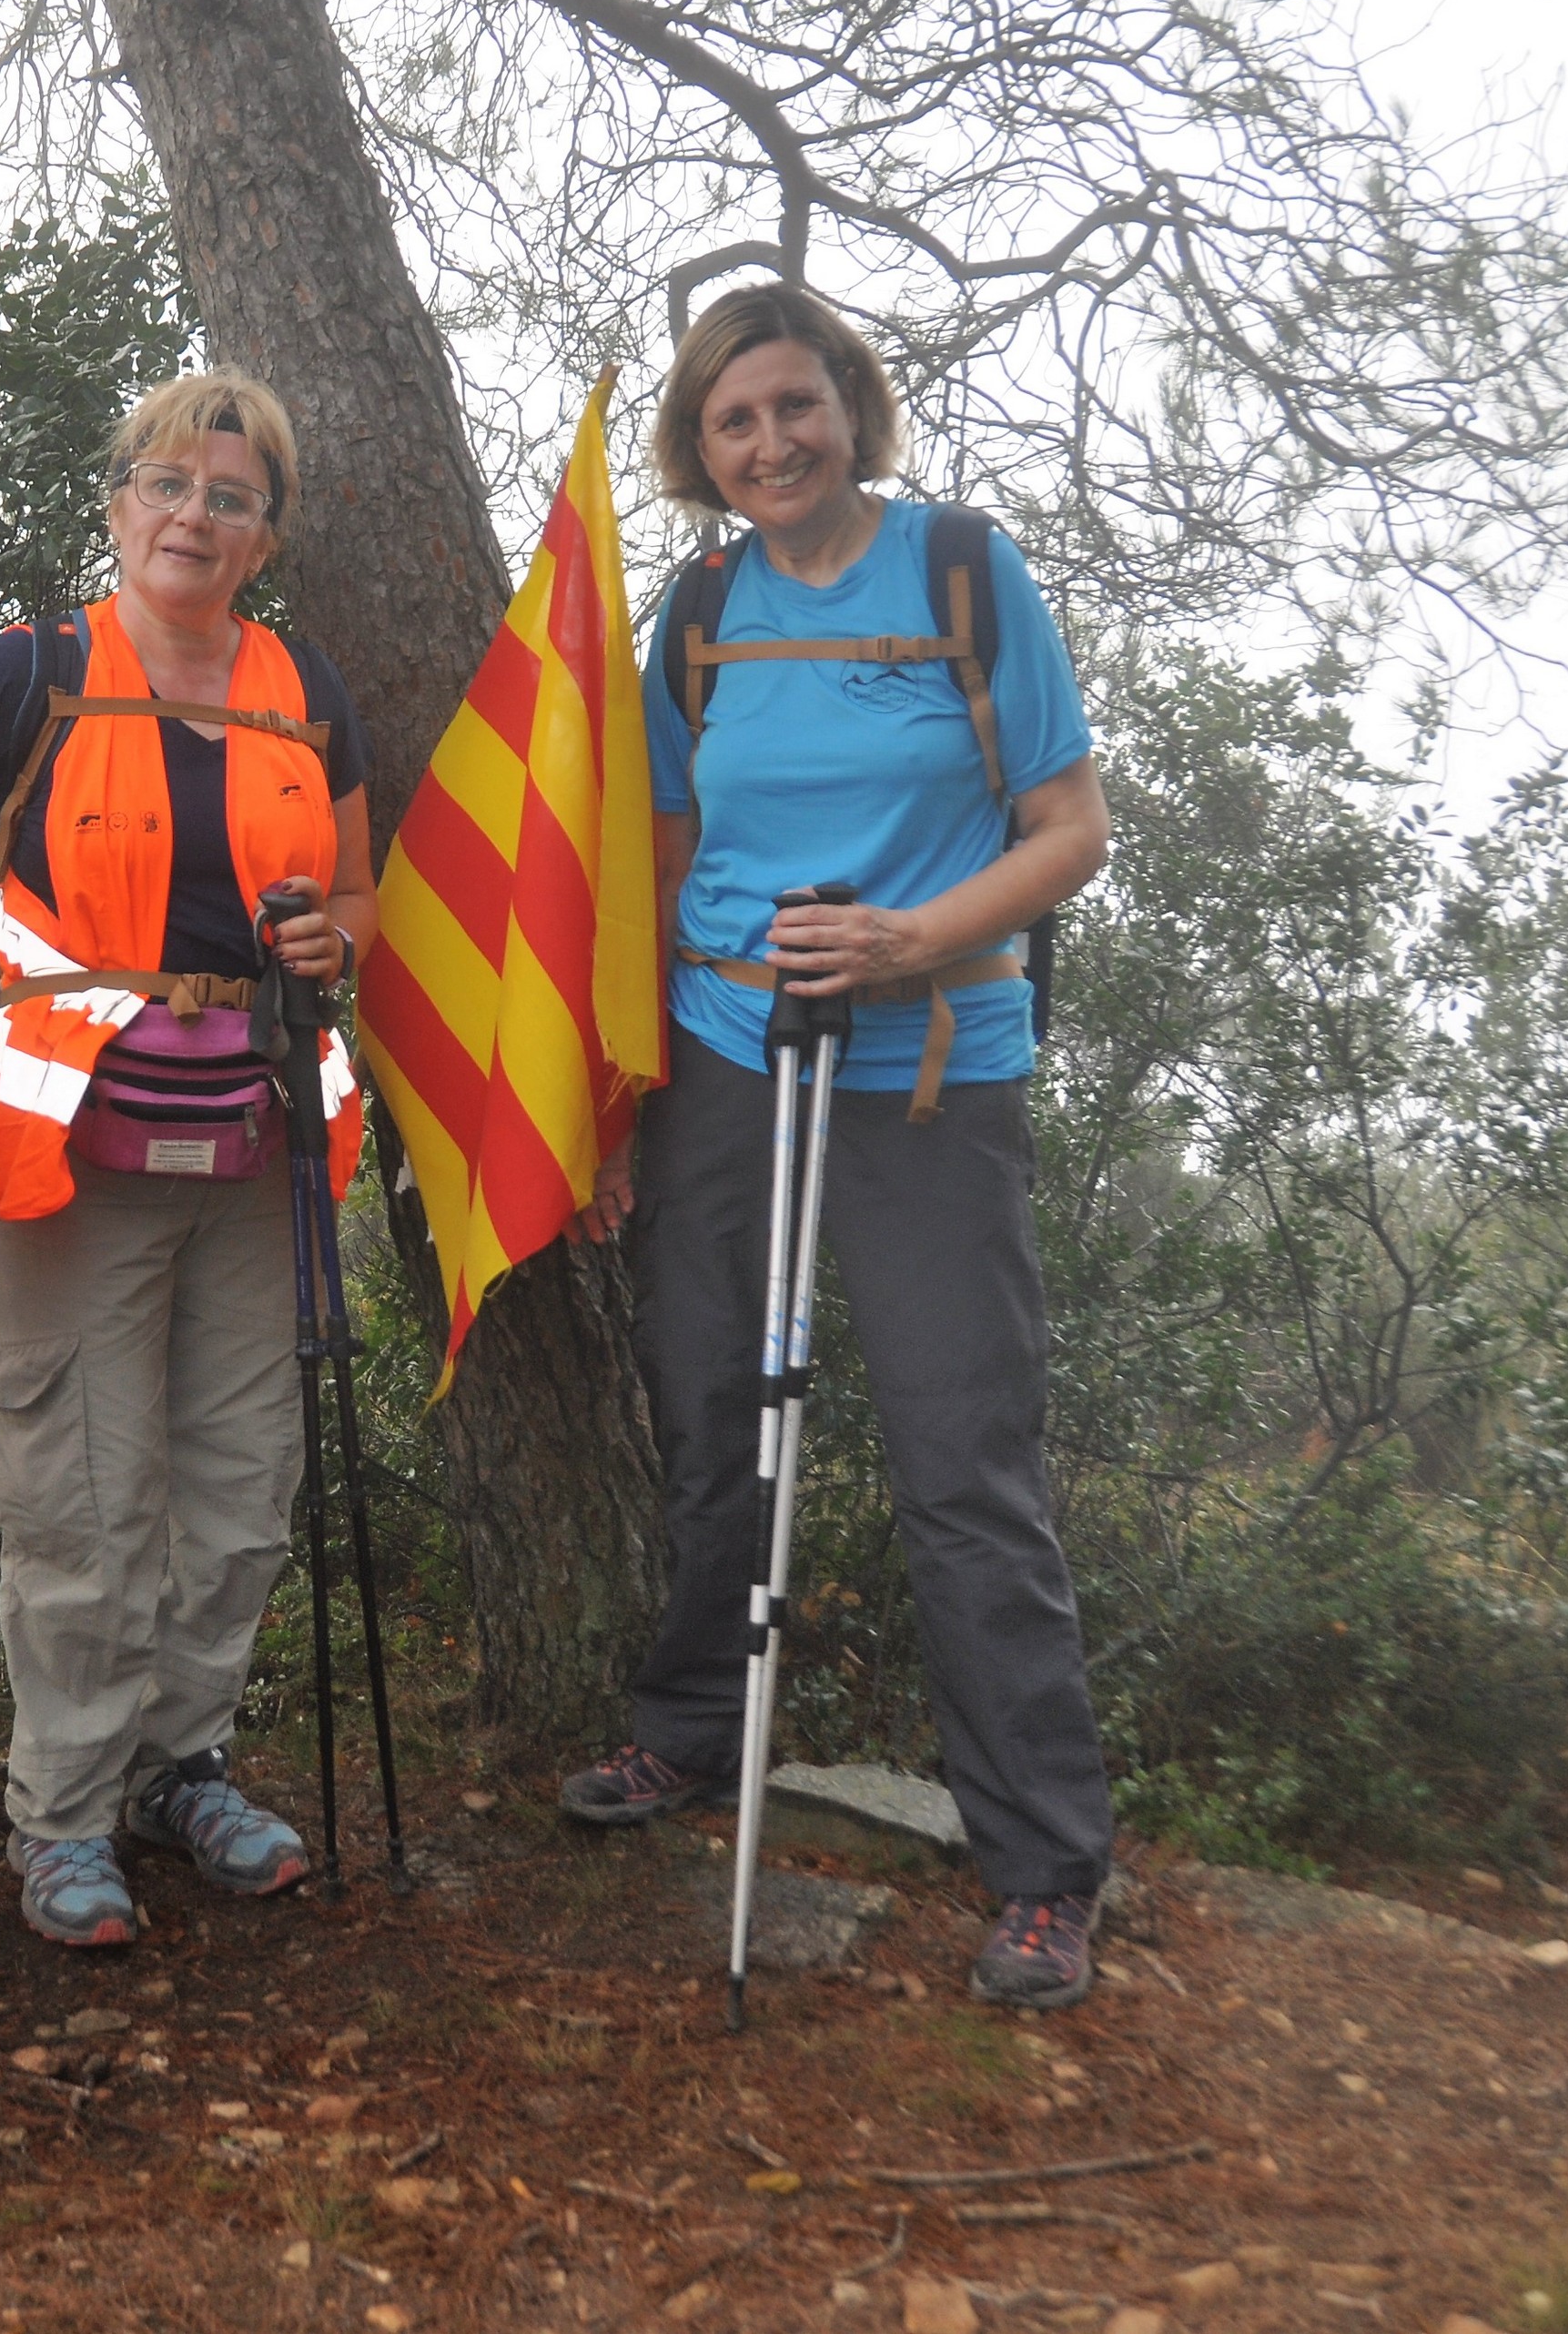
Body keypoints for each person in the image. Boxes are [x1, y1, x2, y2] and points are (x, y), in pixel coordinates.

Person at [564, 280, 1118, 2011]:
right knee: (708, 1408)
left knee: (963, 1454)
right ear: (700, 446)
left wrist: (909, 938)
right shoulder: (700, 610)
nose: (769, 441)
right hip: (728, 1050)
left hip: (927, 1061)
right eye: (732, 420)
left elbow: (1069, 828)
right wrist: (621, 1092)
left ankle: (1040, 1865)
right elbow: (660, 853)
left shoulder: (960, 570)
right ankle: (686, 1733)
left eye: (794, 404)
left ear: (847, 406)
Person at [0, 370, 376, 1950]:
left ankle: (178, 1769)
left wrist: (331, 943)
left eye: (230, 497)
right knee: (77, 1489)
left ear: (265, 536)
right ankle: (65, 1814)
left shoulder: (305, 690)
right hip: (67, 1141)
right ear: (118, 501)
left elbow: (355, 900)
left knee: (240, 1482)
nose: (192, 515)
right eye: (165, 482)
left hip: (256, 1135)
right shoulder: (30, 674)